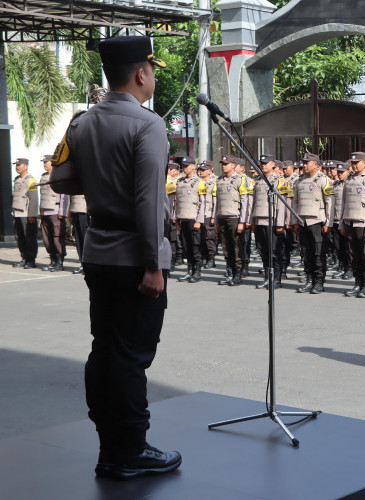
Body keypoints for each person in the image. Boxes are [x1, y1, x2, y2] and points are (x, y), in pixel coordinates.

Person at [49, 35, 181, 478]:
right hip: (135, 257)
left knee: (104, 349)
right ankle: (131, 450)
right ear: (141, 73)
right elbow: (148, 203)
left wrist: (103, 179)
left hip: (99, 251)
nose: (154, 77)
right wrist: (152, 265)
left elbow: (62, 182)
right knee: (131, 356)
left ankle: (111, 447)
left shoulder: (83, 122)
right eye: (153, 70)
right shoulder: (148, 125)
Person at [339, 152, 365, 297]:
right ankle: (357, 283)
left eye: (357, 162)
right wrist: (341, 225)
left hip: (363, 224)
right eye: (353, 162)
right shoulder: (349, 179)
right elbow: (343, 203)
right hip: (349, 222)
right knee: (353, 254)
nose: (354, 165)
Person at [294, 153, 335, 294]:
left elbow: (330, 202)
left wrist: (328, 223)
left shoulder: (323, 180)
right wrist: (295, 221)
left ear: (316, 165)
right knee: (306, 253)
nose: (304, 165)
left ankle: (319, 282)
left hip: (317, 221)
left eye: (307, 162)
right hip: (303, 221)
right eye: (303, 162)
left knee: (318, 254)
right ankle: (309, 279)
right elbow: (295, 203)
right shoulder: (299, 181)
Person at [250, 154, 288, 290]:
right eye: (262, 163)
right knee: (263, 252)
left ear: (273, 164)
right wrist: (252, 220)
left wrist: (280, 223)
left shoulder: (279, 181)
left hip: (272, 222)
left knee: (274, 252)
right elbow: (253, 202)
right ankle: (267, 277)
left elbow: (282, 204)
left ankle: (276, 279)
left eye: (266, 163)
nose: (263, 165)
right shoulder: (258, 180)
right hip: (259, 220)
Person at [216, 155, 252, 286]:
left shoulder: (240, 180)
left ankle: (238, 274)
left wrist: (243, 221)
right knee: (226, 247)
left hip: (234, 218)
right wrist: (216, 221)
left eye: (226, 164)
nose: (224, 166)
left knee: (237, 246)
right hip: (222, 217)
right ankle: (229, 272)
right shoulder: (219, 180)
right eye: (223, 164)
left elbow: (245, 201)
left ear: (233, 165)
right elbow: (217, 202)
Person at [174, 156, 206, 283]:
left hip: (194, 220)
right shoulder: (179, 181)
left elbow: (203, 203)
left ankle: (197, 271)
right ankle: (189, 270)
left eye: (187, 165)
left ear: (193, 166)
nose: (184, 168)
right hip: (182, 218)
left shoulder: (199, 182)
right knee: (186, 247)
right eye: (183, 166)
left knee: (195, 247)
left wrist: (199, 220)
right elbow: (176, 202)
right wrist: (175, 218)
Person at [39, 155, 69, 271]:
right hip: (44, 211)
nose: (44, 164)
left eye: (46, 162)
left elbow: (64, 195)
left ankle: (60, 262)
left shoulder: (58, 176)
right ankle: (52, 261)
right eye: (44, 162)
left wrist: (62, 212)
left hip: (55, 211)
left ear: (52, 162)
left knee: (57, 237)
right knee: (47, 238)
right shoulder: (43, 176)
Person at [11, 158, 38, 269]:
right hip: (17, 213)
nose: (17, 167)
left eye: (19, 165)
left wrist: (32, 214)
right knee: (20, 238)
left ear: (26, 166)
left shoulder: (31, 180)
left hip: (26, 214)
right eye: (16, 165)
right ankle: (24, 258)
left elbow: (34, 199)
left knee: (29, 237)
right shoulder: (17, 179)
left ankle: (31, 260)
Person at [197, 160, 218, 269]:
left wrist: (214, 216)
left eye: (203, 170)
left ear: (209, 171)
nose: (200, 172)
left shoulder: (214, 183)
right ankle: (204, 257)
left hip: (209, 213)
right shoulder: (197, 182)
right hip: (199, 214)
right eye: (199, 170)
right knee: (200, 237)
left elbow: (215, 201)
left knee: (209, 238)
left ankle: (211, 258)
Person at [165, 162, 182, 271]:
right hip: (163, 215)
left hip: (170, 215)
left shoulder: (172, 182)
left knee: (172, 238)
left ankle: (173, 259)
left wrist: (174, 216)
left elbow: (174, 201)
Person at [69, 193, 88, 274]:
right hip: (74, 211)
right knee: (78, 240)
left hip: (84, 212)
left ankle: (88, 265)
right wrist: (69, 213)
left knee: (85, 239)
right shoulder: (74, 183)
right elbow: (70, 198)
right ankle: (82, 264)